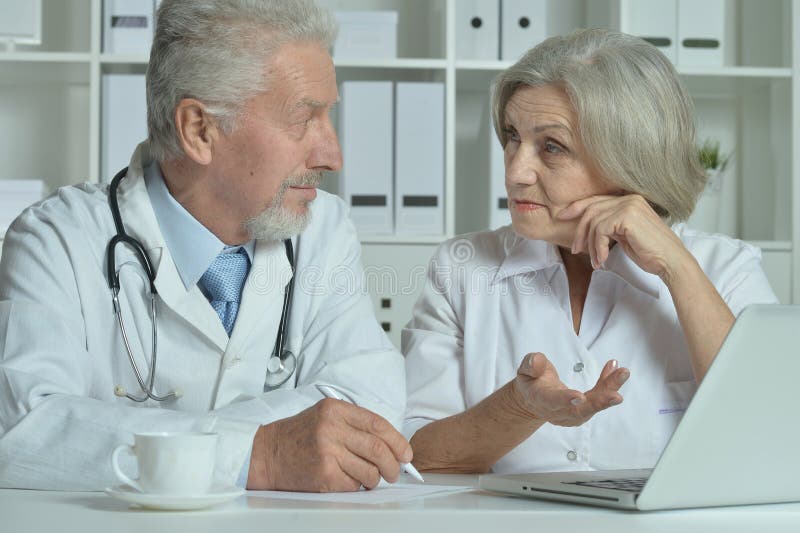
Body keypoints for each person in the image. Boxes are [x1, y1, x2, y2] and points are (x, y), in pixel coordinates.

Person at [0, 0, 412, 493]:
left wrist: (135, 439)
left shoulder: (322, 229)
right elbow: (25, 433)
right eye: (305, 119)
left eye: (329, 116)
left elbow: (370, 400)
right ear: (199, 130)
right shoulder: (58, 242)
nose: (333, 155)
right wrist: (258, 455)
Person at [402, 29, 778, 475]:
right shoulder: (462, 268)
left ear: (632, 158)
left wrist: (677, 267)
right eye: (512, 136)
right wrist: (521, 407)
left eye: (552, 147)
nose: (517, 172)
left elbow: (773, 436)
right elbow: (418, 456)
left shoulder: (727, 270)